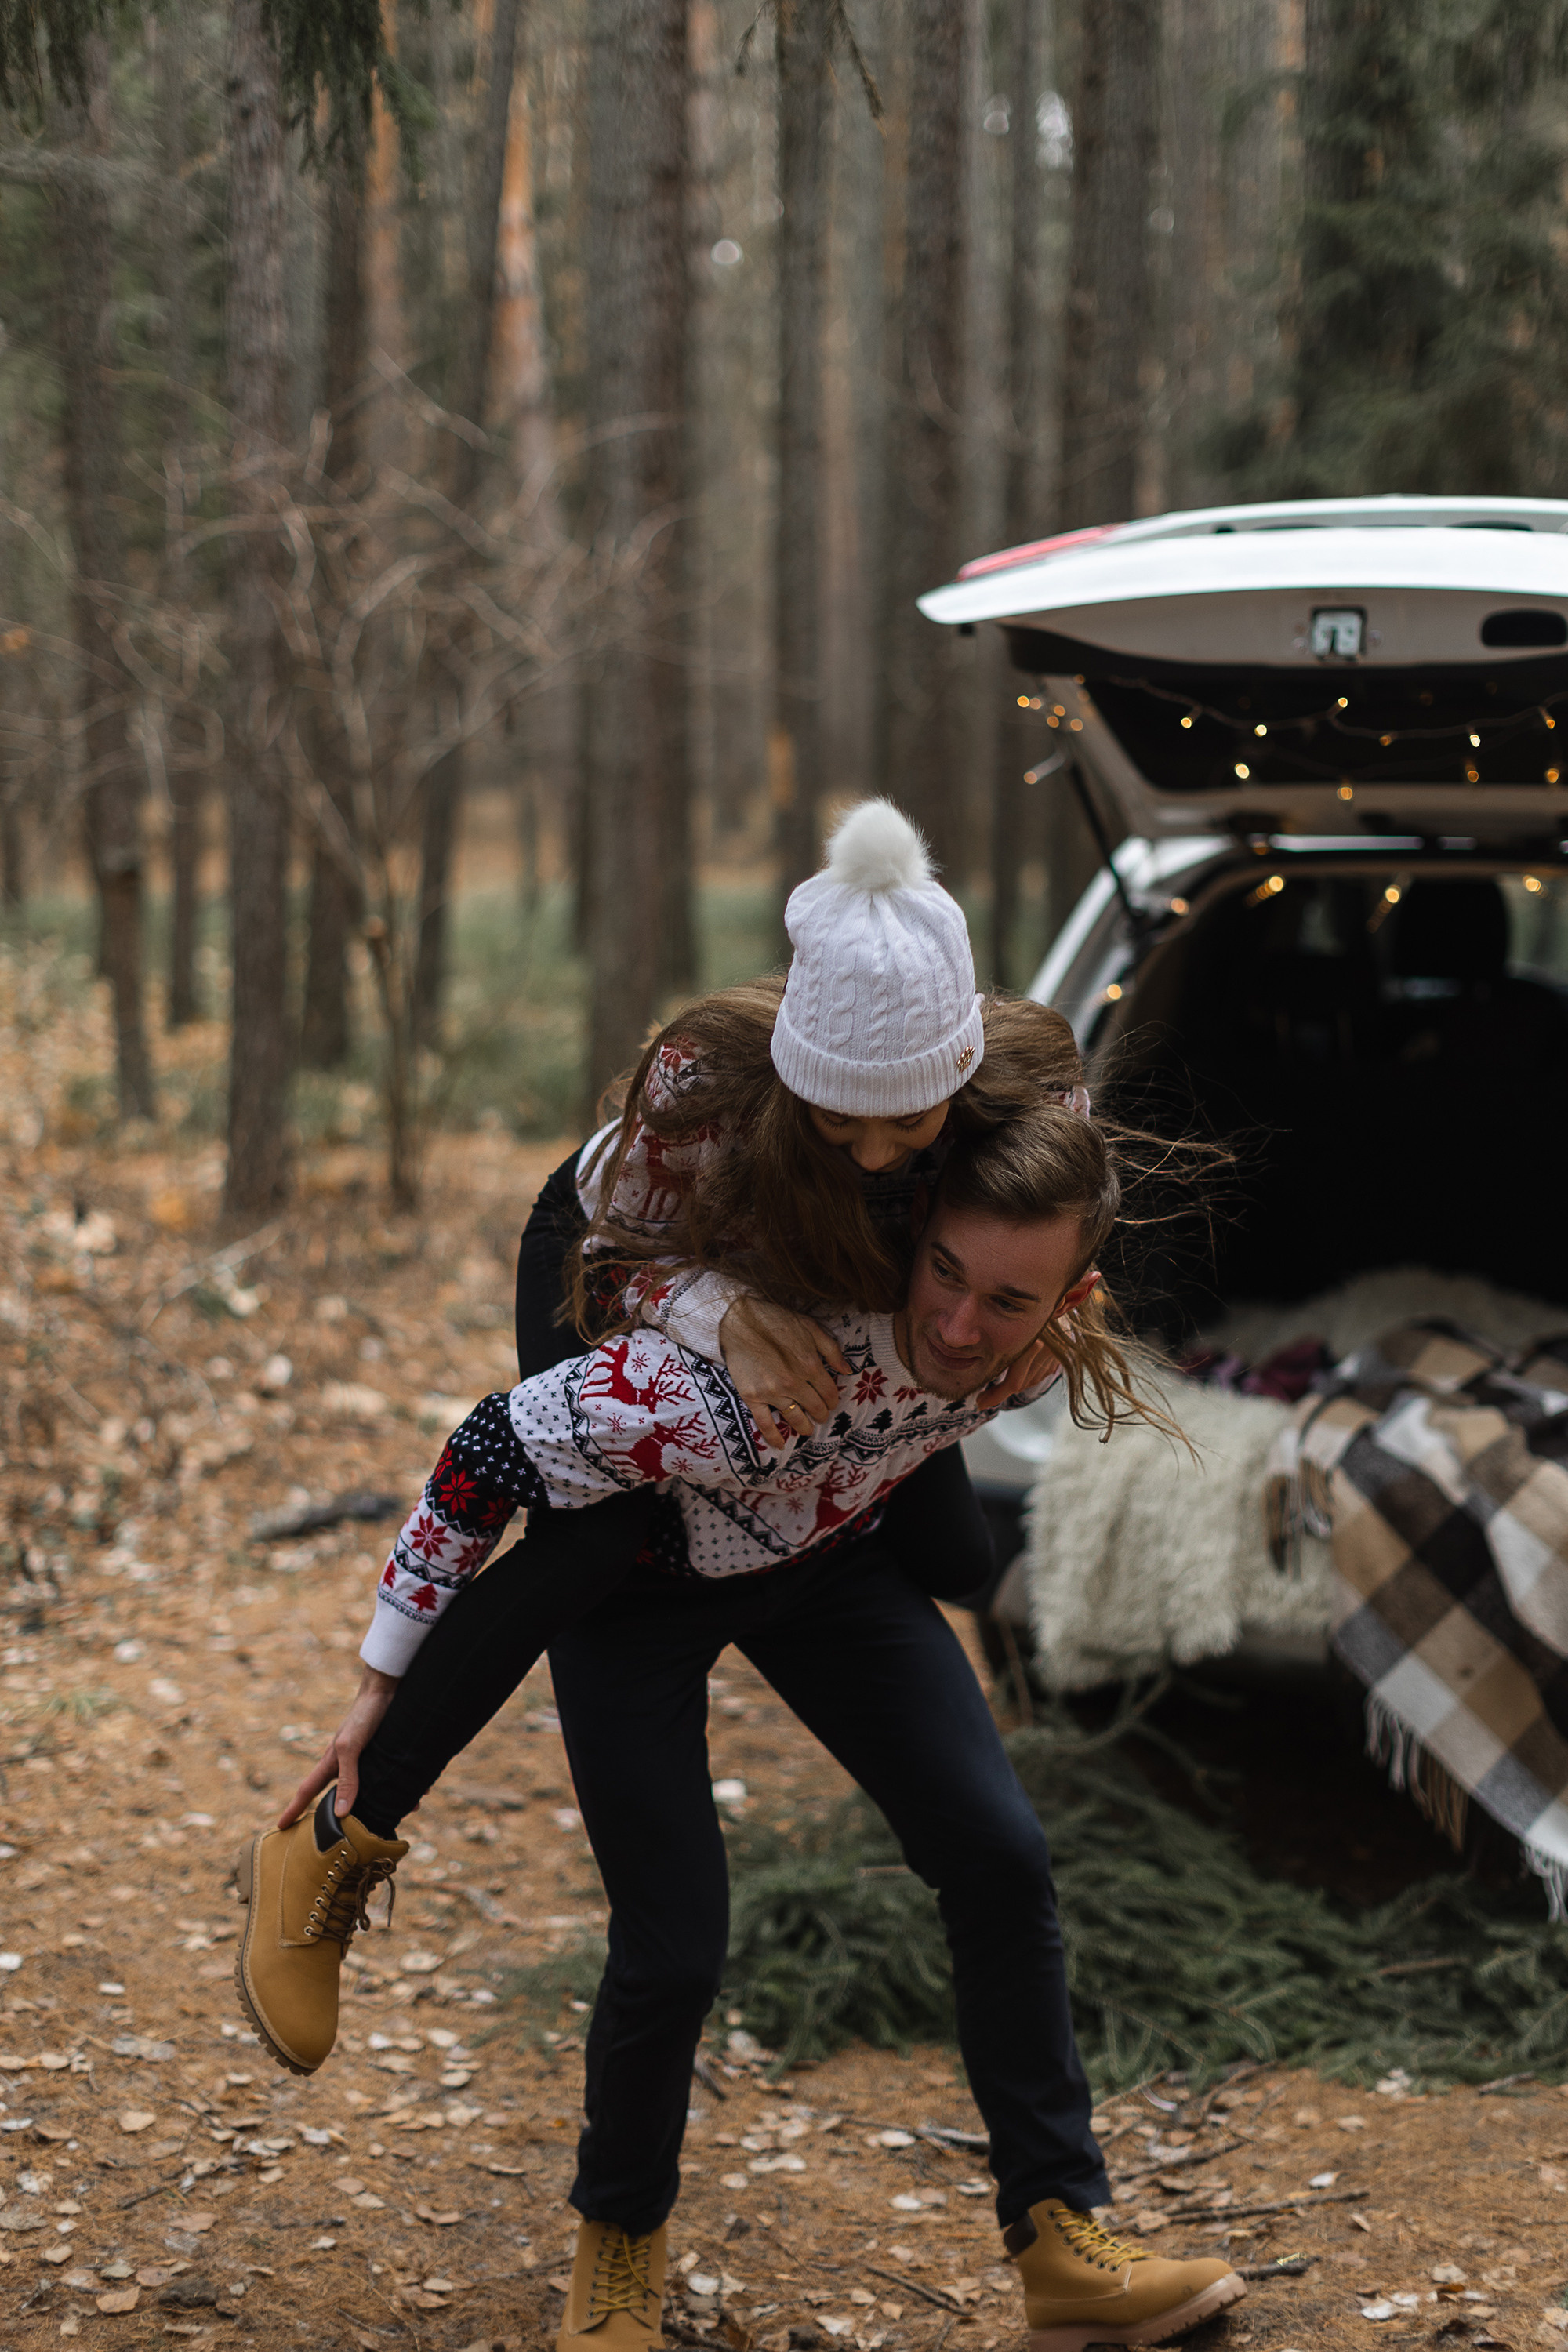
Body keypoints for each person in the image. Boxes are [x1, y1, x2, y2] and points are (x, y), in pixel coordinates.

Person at [235, 1101, 1243, 2352]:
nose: (960, 1327)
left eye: (1009, 1301)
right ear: (912, 1236)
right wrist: (381, 1671)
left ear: (1071, 1297)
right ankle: (617, 2255)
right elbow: (492, 1446)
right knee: (677, 1950)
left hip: (831, 1560)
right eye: (944, 1276)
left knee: (1000, 1854)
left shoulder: (1035, 1345)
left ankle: (1060, 2240)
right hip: (646, 1585)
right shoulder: (737, 1376)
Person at [234, 799, 1088, 2053]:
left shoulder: (1035, 1088)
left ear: (962, 1074)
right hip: (611, 1263)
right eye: (835, 1116)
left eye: (905, 1123)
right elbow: (612, 1258)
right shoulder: (704, 1082)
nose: (867, 1153)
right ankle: (333, 1848)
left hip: (772, 1282)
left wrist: (1064, 1318)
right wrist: (719, 1314)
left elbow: (1062, 1243)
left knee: (955, 1556)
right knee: (602, 1534)